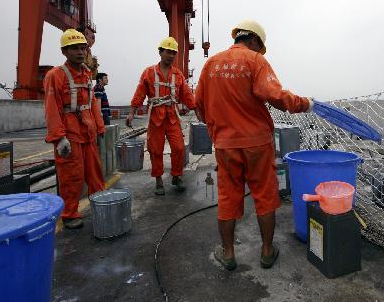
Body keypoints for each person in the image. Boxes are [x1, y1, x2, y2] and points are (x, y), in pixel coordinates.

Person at [195, 20, 312, 270]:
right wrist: (305, 103)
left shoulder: (211, 64)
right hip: (257, 143)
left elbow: (199, 106)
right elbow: (276, 96)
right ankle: (267, 252)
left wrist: (217, 127)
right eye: (260, 47)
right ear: (255, 41)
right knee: (265, 196)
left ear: (238, 37)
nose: (259, 52)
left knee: (228, 197)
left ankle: (227, 254)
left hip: (226, 145)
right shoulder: (255, 61)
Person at [44, 28, 106, 229]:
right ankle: (70, 213)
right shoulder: (55, 75)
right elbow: (51, 108)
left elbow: (91, 104)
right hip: (69, 135)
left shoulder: (87, 74)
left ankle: (101, 205)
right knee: (72, 175)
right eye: (74, 49)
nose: (80, 52)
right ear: (64, 51)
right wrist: (58, 138)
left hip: (88, 133)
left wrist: (100, 128)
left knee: (95, 173)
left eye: (82, 48)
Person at [126, 36, 197, 195]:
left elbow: (187, 96)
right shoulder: (149, 72)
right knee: (155, 150)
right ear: (160, 52)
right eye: (168, 52)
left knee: (179, 147)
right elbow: (139, 93)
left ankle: (176, 176)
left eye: (174, 53)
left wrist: (198, 111)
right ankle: (158, 180)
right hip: (155, 118)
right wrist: (131, 112)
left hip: (172, 117)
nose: (171, 55)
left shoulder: (178, 75)